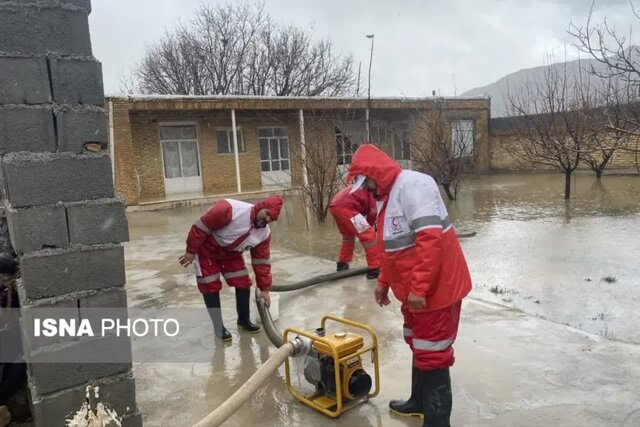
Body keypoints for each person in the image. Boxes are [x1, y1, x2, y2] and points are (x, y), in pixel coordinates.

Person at [348, 145, 471, 427]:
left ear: (373, 174)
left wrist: (420, 288)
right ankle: (419, 402)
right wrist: (383, 282)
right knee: (419, 345)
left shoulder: (414, 185)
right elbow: (391, 248)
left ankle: (437, 422)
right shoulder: (387, 197)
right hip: (416, 292)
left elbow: (431, 240)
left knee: (434, 355)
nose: (367, 190)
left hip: (436, 292)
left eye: (366, 183)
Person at [179, 195, 284, 342]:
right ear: (260, 207)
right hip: (207, 249)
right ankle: (218, 327)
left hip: (231, 254)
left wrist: (265, 289)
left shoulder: (264, 234)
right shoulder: (231, 209)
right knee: (210, 286)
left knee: (243, 282)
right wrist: (191, 251)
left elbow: (262, 262)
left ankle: (243, 320)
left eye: (271, 219)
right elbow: (201, 226)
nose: (267, 220)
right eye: (266, 214)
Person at [329, 185, 381, 279]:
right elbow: (373, 212)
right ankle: (374, 268)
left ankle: (342, 264)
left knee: (348, 236)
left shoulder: (362, 185)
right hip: (347, 207)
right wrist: (369, 226)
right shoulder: (373, 191)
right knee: (369, 235)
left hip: (335, 206)